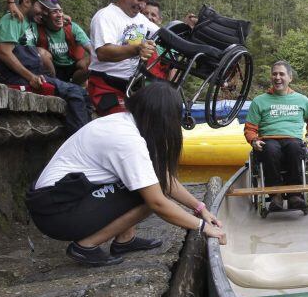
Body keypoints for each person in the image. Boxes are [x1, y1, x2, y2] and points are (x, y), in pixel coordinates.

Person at [25, 82, 226, 266]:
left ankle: (125, 240)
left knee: (146, 183)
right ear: (164, 118)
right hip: (56, 212)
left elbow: (161, 176)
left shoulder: (126, 122)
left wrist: (200, 208)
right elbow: (157, 202)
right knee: (150, 196)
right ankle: (85, 247)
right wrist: (203, 227)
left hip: (62, 198)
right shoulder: (127, 140)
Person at [0, 0, 91, 134]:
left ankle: (88, 134)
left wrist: (64, 16)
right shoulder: (13, 18)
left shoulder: (31, 20)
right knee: (74, 93)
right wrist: (31, 77)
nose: (44, 12)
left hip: (35, 73)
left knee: (83, 94)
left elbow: (53, 18)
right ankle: (78, 139)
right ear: (26, 2)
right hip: (20, 77)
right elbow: (4, 53)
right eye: (42, 8)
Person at [244, 60, 308, 211]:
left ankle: (294, 196)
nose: (277, 77)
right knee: (270, 149)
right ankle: (275, 196)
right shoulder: (259, 101)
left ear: (290, 77)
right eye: (274, 74)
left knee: (295, 147)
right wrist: (253, 141)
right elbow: (250, 128)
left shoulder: (302, 100)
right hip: (268, 140)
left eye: (281, 74)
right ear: (271, 77)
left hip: (293, 140)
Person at [88, 0, 158, 116]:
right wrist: (137, 49)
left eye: (145, 1)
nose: (142, 6)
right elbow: (103, 52)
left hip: (131, 86)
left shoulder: (140, 19)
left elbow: (164, 34)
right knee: (123, 125)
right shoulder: (106, 16)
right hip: (105, 85)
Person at [36, 0, 92, 84]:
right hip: (53, 67)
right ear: (45, 16)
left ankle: (74, 87)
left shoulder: (71, 27)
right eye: (54, 12)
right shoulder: (37, 27)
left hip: (73, 66)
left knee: (92, 58)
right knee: (40, 52)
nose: (59, 15)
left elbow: (88, 46)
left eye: (60, 11)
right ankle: (54, 84)